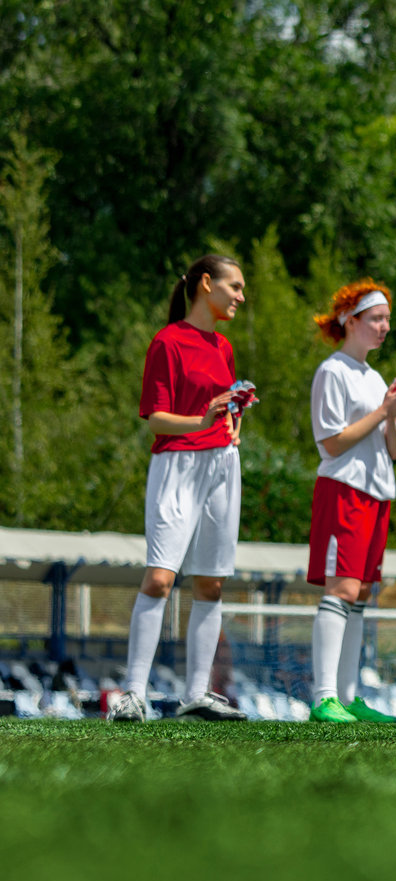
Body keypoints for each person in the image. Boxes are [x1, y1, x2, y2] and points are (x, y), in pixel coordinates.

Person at [107, 255, 252, 722]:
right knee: (160, 577)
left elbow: (223, 411)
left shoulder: (224, 348)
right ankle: (133, 694)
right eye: (235, 286)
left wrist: (232, 424)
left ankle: (197, 694)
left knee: (211, 582)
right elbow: (154, 419)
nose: (240, 297)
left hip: (222, 466)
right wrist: (201, 419)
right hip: (177, 465)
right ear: (206, 285)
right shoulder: (166, 342)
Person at [305, 281, 396, 723]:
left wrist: (390, 414)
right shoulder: (331, 370)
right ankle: (323, 698)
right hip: (343, 489)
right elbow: (332, 443)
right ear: (349, 321)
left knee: (361, 595)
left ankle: (349, 698)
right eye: (376, 318)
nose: (384, 327)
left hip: (376, 491)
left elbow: (393, 450)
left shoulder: (373, 378)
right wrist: (382, 411)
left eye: (387, 319)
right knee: (343, 589)